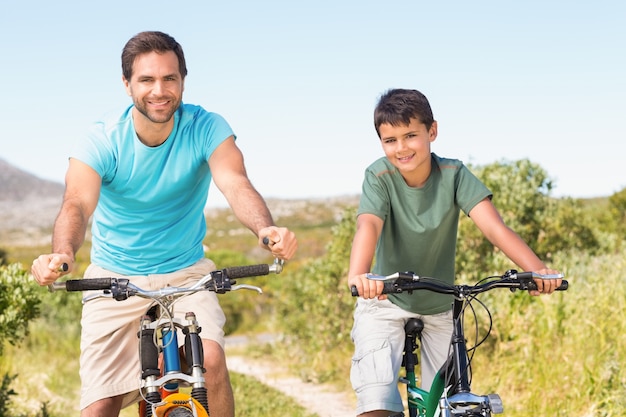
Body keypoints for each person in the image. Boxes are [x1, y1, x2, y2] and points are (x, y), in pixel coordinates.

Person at [30, 31, 297, 417]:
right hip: (114, 277)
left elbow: (235, 183)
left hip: (186, 272)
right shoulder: (101, 139)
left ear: (183, 81)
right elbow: (76, 204)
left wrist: (265, 230)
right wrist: (63, 253)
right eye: (147, 80)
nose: (160, 90)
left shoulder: (206, 127)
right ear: (127, 84)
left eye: (170, 78)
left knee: (211, 363)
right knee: (99, 405)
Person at [347, 88, 562, 417]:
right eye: (390, 140)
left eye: (411, 135)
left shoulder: (454, 173)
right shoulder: (379, 176)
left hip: (438, 303)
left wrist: (538, 271)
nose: (401, 147)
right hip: (384, 299)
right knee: (377, 401)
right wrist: (360, 275)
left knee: (450, 404)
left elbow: (494, 228)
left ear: (432, 131)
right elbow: (369, 226)